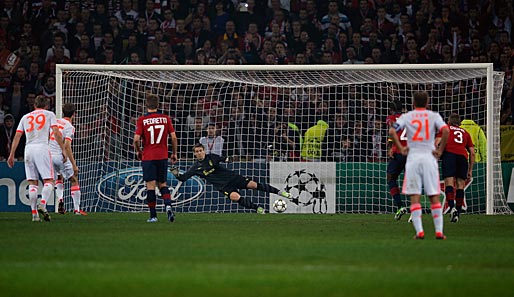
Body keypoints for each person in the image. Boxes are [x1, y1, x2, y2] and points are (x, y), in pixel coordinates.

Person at [389, 92, 450, 240]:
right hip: (429, 158)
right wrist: (440, 150)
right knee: (433, 196)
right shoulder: (434, 116)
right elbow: (446, 130)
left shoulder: (407, 116)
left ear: (413, 103)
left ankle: (419, 232)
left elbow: (392, 130)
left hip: (413, 158)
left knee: (414, 196)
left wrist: (400, 148)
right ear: (427, 102)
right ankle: (439, 232)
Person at [170, 143, 291, 214]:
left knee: (254, 185)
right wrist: (175, 172)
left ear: (204, 151)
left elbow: (224, 159)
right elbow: (183, 178)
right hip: (223, 186)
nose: (200, 153)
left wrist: (230, 158)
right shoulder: (194, 168)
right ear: (195, 154)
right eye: (197, 151)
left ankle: (281, 192)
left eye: (201, 150)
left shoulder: (212, 157)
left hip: (232, 177)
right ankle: (259, 209)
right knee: (235, 197)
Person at [7, 96, 67, 222]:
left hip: (28, 149)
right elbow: (56, 133)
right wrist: (63, 149)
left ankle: (34, 215)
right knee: (49, 181)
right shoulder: (49, 114)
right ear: (46, 106)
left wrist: (11, 154)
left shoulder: (25, 117)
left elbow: (17, 136)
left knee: (32, 183)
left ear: (34, 105)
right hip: (42, 148)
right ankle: (43, 204)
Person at [134, 94, 178, 223]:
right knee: (163, 184)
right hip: (162, 156)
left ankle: (153, 216)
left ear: (146, 105)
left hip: (148, 156)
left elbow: (136, 139)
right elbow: (174, 137)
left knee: (150, 186)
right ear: (158, 105)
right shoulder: (165, 118)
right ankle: (168, 206)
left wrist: (138, 151)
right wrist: (174, 153)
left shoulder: (142, 120)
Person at [49, 103, 86, 216]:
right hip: (61, 156)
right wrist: (74, 165)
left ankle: (60, 199)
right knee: (74, 179)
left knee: (59, 178)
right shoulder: (69, 126)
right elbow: (67, 146)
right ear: (74, 114)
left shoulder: (56, 122)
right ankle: (77, 210)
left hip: (50, 154)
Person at [439, 114, 475, 223]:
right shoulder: (466, 133)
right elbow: (472, 153)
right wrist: (470, 169)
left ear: (449, 121)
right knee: (460, 185)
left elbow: (438, 142)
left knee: (449, 183)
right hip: (462, 157)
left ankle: (452, 208)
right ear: (459, 123)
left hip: (449, 155)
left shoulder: (445, 128)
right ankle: (458, 213)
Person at [385, 100, 408, 220]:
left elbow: (392, 133)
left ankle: (400, 206)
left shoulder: (391, 118)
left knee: (391, 178)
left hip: (398, 152)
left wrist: (390, 148)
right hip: (410, 152)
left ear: (392, 109)